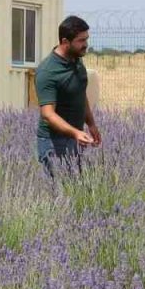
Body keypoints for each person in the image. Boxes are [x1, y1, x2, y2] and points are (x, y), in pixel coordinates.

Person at [35, 15, 101, 175]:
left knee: (74, 189)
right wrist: (76, 132)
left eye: (86, 39)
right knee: (56, 192)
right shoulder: (48, 71)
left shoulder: (76, 61)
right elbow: (48, 114)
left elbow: (80, 94)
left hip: (74, 138)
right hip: (53, 142)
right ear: (65, 42)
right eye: (81, 40)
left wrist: (91, 124)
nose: (86, 45)